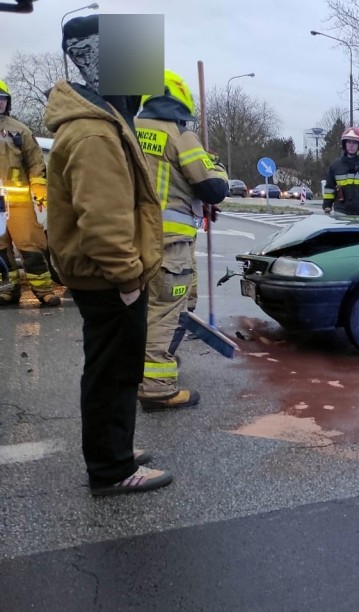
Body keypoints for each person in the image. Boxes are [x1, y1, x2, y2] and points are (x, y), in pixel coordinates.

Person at [44, 15, 172, 495]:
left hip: (107, 276)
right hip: (110, 278)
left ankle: (114, 447)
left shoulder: (103, 123)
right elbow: (103, 222)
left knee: (115, 371)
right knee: (112, 373)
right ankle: (111, 468)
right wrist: (129, 279)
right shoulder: (96, 133)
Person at [135, 70, 228, 411]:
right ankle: (157, 386)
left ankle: (144, 369)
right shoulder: (178, 134)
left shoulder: (130, 130)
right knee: (167, 311)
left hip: (134, 238)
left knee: (144, 307)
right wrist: (217, 169)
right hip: (170, 242)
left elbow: (168, 182)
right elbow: (212, 187)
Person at [0, 79, 61, 308]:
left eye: (2, 99)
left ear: (8, 102)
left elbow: (36, 163)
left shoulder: (19, 130)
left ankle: (44, 291)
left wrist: (38, 189)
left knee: (30, 247)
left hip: (19, 202)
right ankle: (7, 291)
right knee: (1, 251)